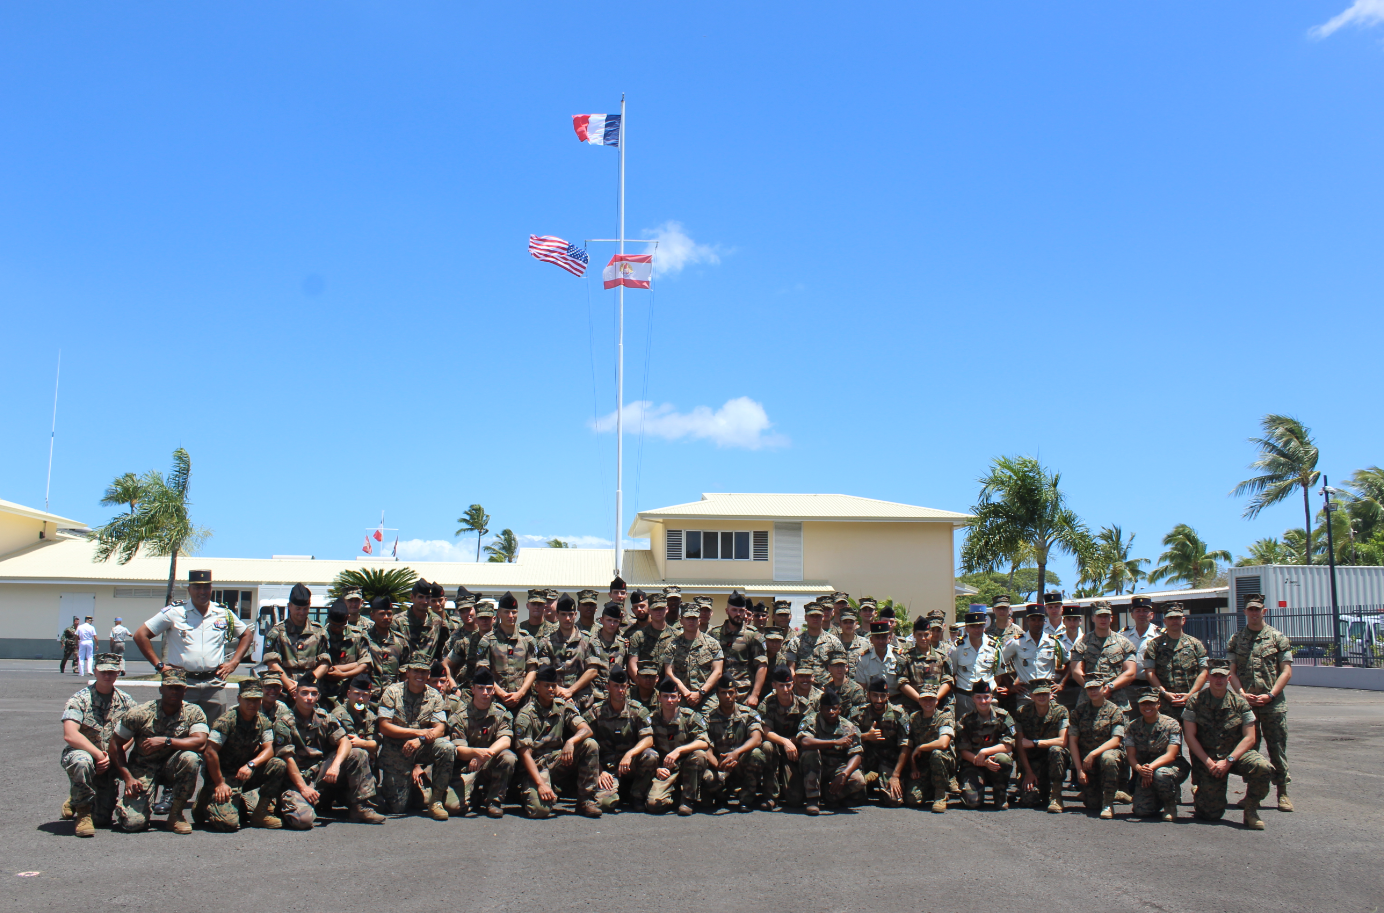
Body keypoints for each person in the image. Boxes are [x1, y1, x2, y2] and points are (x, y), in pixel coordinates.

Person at [133, 569, 255, 723]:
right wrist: (159, 666)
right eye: (197, 587)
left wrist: (234, 662)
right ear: (189, 589)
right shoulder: (174, 612)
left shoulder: (222, 613)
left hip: (213, 684)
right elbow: (140, 635)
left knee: (215, 733)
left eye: (206, 587)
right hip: (183, 684)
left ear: (211, 588)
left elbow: (246, 635)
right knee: (180, 729)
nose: (202, 591)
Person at [109, 666, 209, 834]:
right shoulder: (140, 713)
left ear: (185, 690)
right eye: (170, 687)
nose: (174, 692)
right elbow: (115, 744)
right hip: (143, 767)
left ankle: (176, 815)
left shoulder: (194, 712)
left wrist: (166, 741)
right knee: (134, 824)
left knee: (191, 758)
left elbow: (200, 742)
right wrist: (127, 777)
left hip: (173, 766)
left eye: (178, 688)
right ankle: (129, 805)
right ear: (161, 689)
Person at [276, 674, 386, 826]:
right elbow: (287, 759)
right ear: (295, 695)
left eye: (314, 694)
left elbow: (345, 742)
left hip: (320, 773)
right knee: (303, 821)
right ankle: (300, 803)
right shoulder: (284, 722)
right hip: (297, 779)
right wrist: (303, 788)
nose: (309, 698)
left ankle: (360, 807)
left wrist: (335, 765)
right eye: (304, 693)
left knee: (357, 753)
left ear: (318, 696)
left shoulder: (324, 718)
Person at [1182, 660, 1273, 829]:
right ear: (1208, 677)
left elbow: (1250, 738)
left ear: (1229, 679)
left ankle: (1251, 810)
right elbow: (1189, 736)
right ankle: (1201, 793)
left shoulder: (1240, 703)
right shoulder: (1195, 701)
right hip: (1208, 759)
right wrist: (1208, 762)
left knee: (1262, 767)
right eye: (1215, 676)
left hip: (1235, 755)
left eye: (1222, 677)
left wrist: (1229, 760)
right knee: (1210, 814)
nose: (1218, 680)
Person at [1226, 593, 1294, 812]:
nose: (1254, 613)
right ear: (1245, 612)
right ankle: (1252, 794)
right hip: (1248, 705)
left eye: (1258, 609)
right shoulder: (1237, 639)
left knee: (1277, 749)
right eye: (1250, 609)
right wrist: (1241, 694)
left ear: (1264, 611)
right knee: (1250, 750)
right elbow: (1232, 673)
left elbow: (1286, 671)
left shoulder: (1277, 637)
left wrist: (1271, 695)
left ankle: (1282, 792)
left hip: (1273, 705)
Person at [59, 652, 137, 836]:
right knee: (81, 761)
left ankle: (76, 797)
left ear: (118, 673)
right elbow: (70, 735)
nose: (107, 676)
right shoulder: (79, 700)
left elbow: (134, 733)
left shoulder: (126, 702)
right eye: (103, 671)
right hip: (85, 754)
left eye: (112, 671)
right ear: (94, 671)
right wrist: (98, 755)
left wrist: (114, 754)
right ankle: (83, 815)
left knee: (102, 819)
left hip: (109, 760)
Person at [197, 679, 286, 830]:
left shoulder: (263, 721)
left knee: (278, 764)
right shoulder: (226, 721)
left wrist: (252, 765)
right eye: (248, 700)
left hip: (243, 772)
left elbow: (269, 749)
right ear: (239, 699)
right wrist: (219, 783)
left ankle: (260, 813)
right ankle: (205, 799)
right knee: (229, 824)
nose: (252, 704)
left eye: (256, 700)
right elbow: (210, 752)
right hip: (222, 776)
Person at [514, 665, 602, 818]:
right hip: (536, 767)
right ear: (537, 687)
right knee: (539, 811)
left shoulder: (562, 706)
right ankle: (532, 790)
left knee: (590, 744)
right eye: (546, 685)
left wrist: (571, 741)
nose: (550, 689)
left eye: (553, 686)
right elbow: (525, 755)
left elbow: (586, 729)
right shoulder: (526, 714)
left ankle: (585, 801)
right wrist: (541, 785)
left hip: (557, 762)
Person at [377, 660, 454, 819]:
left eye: (424, 672)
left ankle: (436, 801)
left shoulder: (434, 696)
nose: (420, 675)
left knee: (447, 748)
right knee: (397, 808)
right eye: (416, 671)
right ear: (408, 673)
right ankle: (407, 787)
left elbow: (440, 728)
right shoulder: (392, 692)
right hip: (396, 751)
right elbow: (384, 726)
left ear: (428, 675)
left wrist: (420, 739)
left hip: (421, 746)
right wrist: (417, 732)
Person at [444, 668, 517, 818]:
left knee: (508, 757)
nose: (485, 693)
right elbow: (459, 749)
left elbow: (505, 740)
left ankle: (493, 801)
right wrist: (477, 753)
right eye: (481, 688)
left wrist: (484, 755)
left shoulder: (500, 713)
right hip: (466, 767)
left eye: (489, 689)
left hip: (488, 763)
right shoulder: (461, 716)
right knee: (453, 808)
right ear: (472, 689)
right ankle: (475, 796)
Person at [586, 668, 659, 813]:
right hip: (607, 769)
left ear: (627, 687)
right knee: (605, 804)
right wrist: (599, 771)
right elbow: (587, 746)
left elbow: (649, 739)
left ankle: (636, 795)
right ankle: (617, 792)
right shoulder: (596, 711)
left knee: (651, 755)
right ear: (608, 688)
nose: (620, 690)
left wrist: (630, 754)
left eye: (623, 686)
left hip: (629, 765)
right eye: (616, 686)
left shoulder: (636, 710)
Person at [645, 677, 710, 816]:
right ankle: (675, 797)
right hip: (666, 769)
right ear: (659, 698)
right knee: (653, 805)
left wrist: (679, 750)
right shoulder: (652, 719)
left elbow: (704, 742)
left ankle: (687, 800)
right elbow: (644, 746)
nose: (669, 700)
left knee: (700, 755)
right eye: (666, 696)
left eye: (673, 696)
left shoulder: (689, 717)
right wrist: (656, 769)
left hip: (688, 767)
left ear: (679, 698)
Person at [701, 678, 766, 811]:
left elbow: (757, 739)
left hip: (740, 763)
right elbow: (705, 745)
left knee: (757, 754)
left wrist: (736, 753)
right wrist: (718, 764)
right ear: (717, 694)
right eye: (723, 692)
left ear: (736, 693)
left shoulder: (747, 714)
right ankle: (721, 797)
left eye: (731, 692)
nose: (728, 696)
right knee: (707, 777)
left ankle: (745, 800)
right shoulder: (709, 718)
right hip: (720, 765)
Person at [798, 689, 865, 815]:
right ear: (820, 708)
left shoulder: (848, 727)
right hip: (814, 767)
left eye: (834, 709)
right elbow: (805, 742)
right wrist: (834, 742)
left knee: (859, 780)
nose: (831, 712)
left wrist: (844, 774)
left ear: (839, 709)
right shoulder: (811, 720)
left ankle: (830, 796)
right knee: (811, 753)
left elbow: (856, 754)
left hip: (836, 767)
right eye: (827, 709)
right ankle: (812, 800)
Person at [538, 593, 608, 712]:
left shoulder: (588, 640)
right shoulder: (546, 642)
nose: (567, 619)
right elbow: (544, 671)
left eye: (570, 615)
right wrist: (560, 692)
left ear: (575, 615)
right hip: (554, 701)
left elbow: (593, 670)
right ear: (557, 615)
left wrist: (570, 691)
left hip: (583, 702)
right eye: (563, 614)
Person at [1126, 691, 1189, 821]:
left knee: (1161, 774)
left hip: (1171, 766)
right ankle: (1158, 797)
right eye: (1144, 704)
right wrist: (1140, 770)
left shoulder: (1172, 724)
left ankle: (1170, 805)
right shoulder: (1133, 726)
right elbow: (1131, 755)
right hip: (1145, 771)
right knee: (1141, 811)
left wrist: (1150, 768)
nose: (1147, 707)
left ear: (1158, 704)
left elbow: (1171, 755)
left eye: (1151, 703)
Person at [1068, 677, 1127, 819]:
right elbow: (1073, 742)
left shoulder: (1115, 710)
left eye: (1096, 688)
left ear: (1104, 689)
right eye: (1090, 689)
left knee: (1109, 757)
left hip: (1105, 758)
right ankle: (1114, 792)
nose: (1093, 691)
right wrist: (1079, 771)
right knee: (1092, 804)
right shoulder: (1079, 712)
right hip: (1087, 764)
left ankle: (1108, 803)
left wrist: (1093, 754)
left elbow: (1116, 740)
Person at [475, 592, 539, 714]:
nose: (511, 615)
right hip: (496, 702)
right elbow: (483, 672)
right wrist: (502, 694)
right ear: (498, 614)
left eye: (514, 612)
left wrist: (520, 694)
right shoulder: (488, 640)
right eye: (506, 612)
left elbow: (532, 669)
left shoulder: (527, 639)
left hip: (524, 703)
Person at [955, 680, 1015, 810]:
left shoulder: (1003, 716)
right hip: (973, 765)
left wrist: (984, 752)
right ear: (973, 699)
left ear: (992, 697)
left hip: (994, 763)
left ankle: (1000, 793)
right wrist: (983, 762)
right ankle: (970, 789)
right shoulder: (966, 720)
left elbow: (1008, 745)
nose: (983, 701)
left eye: (986, 697)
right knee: (972, 802)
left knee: (1004, 759)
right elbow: (963, 751)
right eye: (979, 697)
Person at [759, 666, 812, 809]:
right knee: (766, 747)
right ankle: (770, 796)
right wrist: (785, 742)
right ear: (774, 686)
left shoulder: (803, 705)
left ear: (793, 684)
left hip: (794, 751)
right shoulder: (767, 704)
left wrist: (790, 743)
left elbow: (807, 732)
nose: (785, 689)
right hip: (776, 747)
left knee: (794, 800)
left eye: (788, 685)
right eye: (781, 686)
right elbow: (765, 731)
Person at [1013, 679, 1069, 813]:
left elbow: (1063, 741)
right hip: (1033, 762)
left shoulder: (1061, 711)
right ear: (1031, 696)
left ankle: (1056, 795)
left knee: (1056, 750)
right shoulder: (1022, 712)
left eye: (1045, 693)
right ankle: (1042, 789)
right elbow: (1020, 745)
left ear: (1051, 695)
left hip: (1053, 760)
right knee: (1028, 801)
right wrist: (1028, 772)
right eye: (1038, 694)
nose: (1042, 697)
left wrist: (1035, 743)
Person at [1144, 603, 1208, 719]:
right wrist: (1164, 693)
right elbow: (1150, 672)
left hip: (1191, 702)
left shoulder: (1195, 644)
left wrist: (1190, 694)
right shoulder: (1155, 645)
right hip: (1164, 703)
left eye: (1177, 618)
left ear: (1183, 620)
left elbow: (1204, 671)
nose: (1174, 621)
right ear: (1165, 621)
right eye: (1171, 618)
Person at [264, 584, 331, 693]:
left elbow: (325, 663)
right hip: (284, 690)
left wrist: (307, 683)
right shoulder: (277, 632)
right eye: (298, 609)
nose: (302, 612)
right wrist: (291, 686)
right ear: (289, 606)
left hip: (311, 690)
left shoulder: (319, 632)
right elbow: (272, 663)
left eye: (305, 608)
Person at [1070, 602, 1136, 713]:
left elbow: (1131, 672)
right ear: (1093, 618)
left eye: (1106, 616)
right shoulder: (1081, 644)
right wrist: (1093, 689)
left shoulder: (1124, 643)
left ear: (1111, 618)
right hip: (1089, 701)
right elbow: (1076, 671)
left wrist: (1109, 687)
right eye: (1099, 616)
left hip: (1117, 701)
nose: (1103, 619)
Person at [855, 675, 909, 808]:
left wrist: (895, 776)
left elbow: (906, 746)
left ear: (888, 696)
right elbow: (847, 738)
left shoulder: (898, 714)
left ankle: (877, 780)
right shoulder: (859, 713)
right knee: (852, 797)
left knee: (894, 800)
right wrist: (866, 736)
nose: (879, 700)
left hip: (889, 760)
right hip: (866, 759)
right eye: (875, 695)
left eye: (882, 696)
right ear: (868, 695)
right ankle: (870, 780)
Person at [999, 606, 1065, 712]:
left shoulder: (1053, 642)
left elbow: (1070, 663)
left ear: (1044, 621)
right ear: (1027, 621)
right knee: (1025, 725)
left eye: (1040, 620)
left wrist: (1061, 684)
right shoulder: (1017, 642)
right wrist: (1010, 686)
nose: (1036, 623)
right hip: (1026, 694)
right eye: (1033, 620)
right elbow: (999, 663)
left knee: (1050, 725)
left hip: (1048, 693)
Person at [661, 603, 725, 710]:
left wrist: (701, 692)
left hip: (707, 697)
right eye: (688, 618)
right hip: (682, 697)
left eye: (694, 618)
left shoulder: (712, 644)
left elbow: (718, 672)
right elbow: (669, 672)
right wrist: (686, 693)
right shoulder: (673, 646)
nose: (691, 621)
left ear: (699, 620)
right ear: (681, 621)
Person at [709, 592, 768, 709]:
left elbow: (762, 665)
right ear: (727, 611)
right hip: (718, 694)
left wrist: (755, 695)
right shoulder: (714, 634)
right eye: (734, 610)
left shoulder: (753, 635)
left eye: (741, 611)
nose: (738, 614)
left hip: (744, 694)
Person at [905, 688, 955, 812]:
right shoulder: (914, 718)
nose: (928, 702)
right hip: (924, 765)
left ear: (937, 701)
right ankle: (933, 788)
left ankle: (940, 795)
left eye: (931, 699)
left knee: (936, 754)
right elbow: (909, 745)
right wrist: (913, 768)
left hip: (944, 762)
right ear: (919, 701)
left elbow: (943, 744)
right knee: (912, 799)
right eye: (924, 699)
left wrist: (921, 747)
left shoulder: (945, 716)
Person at [896, 616, 954, 714]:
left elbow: (948, 681)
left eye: (926, 634)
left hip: (937, 708)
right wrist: (921, 700)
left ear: (931, 634)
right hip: (913, 709)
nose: (923, 638)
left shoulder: (941, 657)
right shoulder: (905, 658)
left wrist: (933, 700)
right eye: (919, 635)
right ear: (914, 635)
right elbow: (902, 682)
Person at [950, 610, 999, 719]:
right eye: (973, 626)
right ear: (966, 628)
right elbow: (952, 674)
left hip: (987, 697)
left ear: (984, 627)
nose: (977, 630)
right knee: (964, 731)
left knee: (991, 729)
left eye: (980, 626)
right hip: (965, 697)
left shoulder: (994, 646)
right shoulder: (957, 648)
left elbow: (999, 673)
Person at [321, 598, 370, 706]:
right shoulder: (321, 636)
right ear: (328, 619)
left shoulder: (358, 635)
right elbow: (324, 668)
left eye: (341, 626)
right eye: (334, 625)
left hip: (351, 695)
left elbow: (365, 665)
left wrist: (343, 674)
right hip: (325, 696)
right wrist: (356, 664)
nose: (337, 629)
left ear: (347, 618)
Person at [1120, 595, 1163, 713]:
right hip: (1129, 687)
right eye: (1138, 611)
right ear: (1132, 614)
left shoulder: (1160, 635)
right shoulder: (1123, 635)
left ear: (1152, 614)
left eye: (1145, 611)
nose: (1142, 614)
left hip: (1152, 687)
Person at [362, 596, 411, 699]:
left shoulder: (400, 641)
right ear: (372, 615)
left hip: (393, 698)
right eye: (381, 614)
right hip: (367, 697)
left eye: (389, 614)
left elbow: (405, 669)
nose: (386, 617)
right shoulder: (364, 639)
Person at [392, 579, 450, 664]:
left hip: (428, 673)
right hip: (405, 672)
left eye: (428, 597)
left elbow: (442, 652)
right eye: (420, 597)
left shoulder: (437, 622)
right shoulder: (398, 621)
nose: (425, 601)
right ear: (412, 597)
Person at [784, 603, 842, 684]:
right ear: (805, 617)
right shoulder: (796, 642)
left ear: (823, 617)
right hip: (803, 689)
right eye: (812, 616)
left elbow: (840, 668)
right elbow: (791, 668)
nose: (815, 619)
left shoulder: (834, 642)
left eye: (818, 616)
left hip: (827, 689)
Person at [626, 593, 675, 680]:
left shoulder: (677, 636)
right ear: (649, 610)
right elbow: (632, 665)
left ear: (667, 609)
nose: (658, 612)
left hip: (670, 690)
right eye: (655, 609)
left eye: (661, 608)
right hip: (646, 686)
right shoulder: (638, 635)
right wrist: (642, 686)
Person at [854, 621, 900, 701]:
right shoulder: (864, 659)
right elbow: (861, 688)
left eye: (883, 637)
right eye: (877, 638)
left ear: (889, 638)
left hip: (896, 701)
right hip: (874, 701)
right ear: (871, 639)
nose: (881, 641)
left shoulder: (898, 657)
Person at [592, 603, 631, 698]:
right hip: (596, 695)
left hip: (617, 695)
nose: (612, 624)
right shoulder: (591, 643)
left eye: (616, 621)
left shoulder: (623, 644)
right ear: (601, 620)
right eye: (609, 620)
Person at [1054, 604, 1084, 710]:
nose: (1072, 623)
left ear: (1080, 621)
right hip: (1062, 689)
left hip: (1082, 686)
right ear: (1064, 621)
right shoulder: (1056, 641)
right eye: (1069, 619)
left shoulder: (1087, 640)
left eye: (1075, 620)